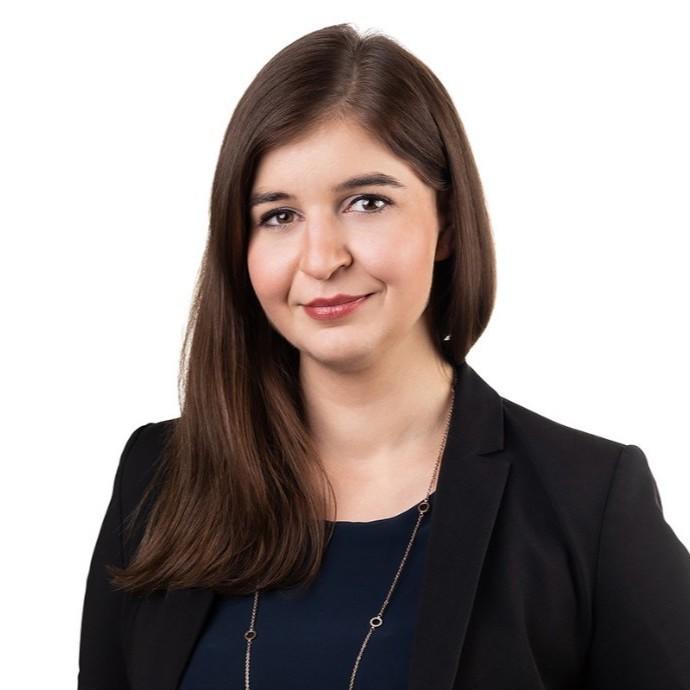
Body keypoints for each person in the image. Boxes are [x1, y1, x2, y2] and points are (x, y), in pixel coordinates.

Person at [77, 23, 690, 690]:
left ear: (447, 222)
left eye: (366, 203)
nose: (322, 259)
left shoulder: (588, 501)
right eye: (279, 215)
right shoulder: (157, 478)